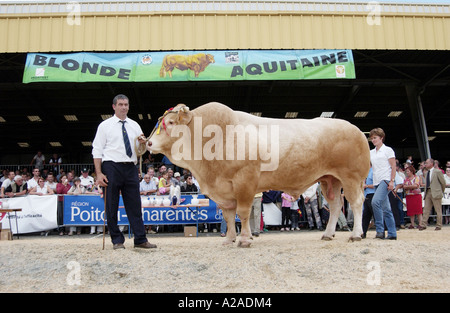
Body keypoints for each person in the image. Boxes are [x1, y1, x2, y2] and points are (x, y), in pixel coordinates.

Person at [92, 94, 156, 249]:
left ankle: (140, 239)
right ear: (114, 107)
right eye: (120, 104)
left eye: (126, 104)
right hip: (111, 166)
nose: (124, 107)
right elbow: (97, 150)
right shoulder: (105, 125)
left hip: (130, 167)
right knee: (111, 205)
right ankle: (117, 240)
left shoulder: (134, 125)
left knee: (135, 204)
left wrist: (145, 142)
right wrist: (99, 173)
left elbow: (143, 147)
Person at [369, 128, 397, 240]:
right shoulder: (371, 152)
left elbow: (393, 166)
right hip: (376, 181)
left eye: (375, 138)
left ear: (381, 138)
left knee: (375, 202)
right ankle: (392, 233)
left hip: (385, 179)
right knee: (386, 208)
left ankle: (380, 230)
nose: (373, 140)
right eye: (371, 138)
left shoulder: (388, 150)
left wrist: (392, 181)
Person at [419, 158, 446, 231]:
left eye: (427, 163)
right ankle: (423, 224)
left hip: (436, 192)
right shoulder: (427, 172)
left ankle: (439, 225)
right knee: (426, 209)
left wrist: (440, 191)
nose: (425, 164)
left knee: (438, 210)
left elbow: (443, 183)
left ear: (431, 163)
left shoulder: (438, 172)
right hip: (428, 192)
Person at [362, 165, 375, 238]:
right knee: (366, 215)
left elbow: (376, 184)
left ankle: (380, 230)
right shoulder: (364, 173)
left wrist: (366, 186)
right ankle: (363, 232)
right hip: (366, 195)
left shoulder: (373, 171)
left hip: (372, 194)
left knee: (375, 213)